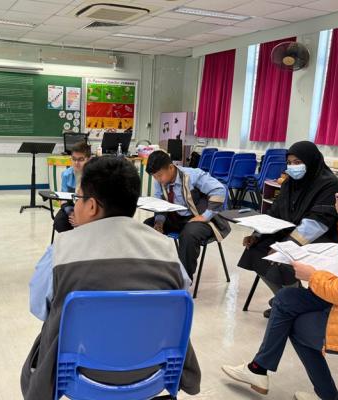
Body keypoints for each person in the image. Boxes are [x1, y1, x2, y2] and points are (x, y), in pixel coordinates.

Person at [21, 157, 201, 400]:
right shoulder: (167, 249)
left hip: (79, 377)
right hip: (153, 374)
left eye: (77, 198)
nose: (75, 205)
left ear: (92, 206)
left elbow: (39, 308)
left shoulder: (60, 251)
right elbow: (181, 301)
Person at [221, 143, 338, 400]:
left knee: (295, 325)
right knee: (286, 299)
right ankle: (259, 370)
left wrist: (313, 276)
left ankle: (322, 394)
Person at [238, 141, 338, 317]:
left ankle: (292, 303)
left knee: (285, 260)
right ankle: (284, 300)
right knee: (254, 250)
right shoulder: (289, 183)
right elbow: (273, 213)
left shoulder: (329, 184)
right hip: (289, 233)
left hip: (318, 239)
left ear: (311, 161)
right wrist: (257, 235)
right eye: (290, 163)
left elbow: (317, 224)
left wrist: (285, 247)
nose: (293, 167)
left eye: (298, 162)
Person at [144, 150, 230, 279]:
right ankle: (152, 272)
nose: (157, 180)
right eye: (154, 177)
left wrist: (205, 216)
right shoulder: (160, 181)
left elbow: (220, 190)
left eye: (160, 175)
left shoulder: (193, 175)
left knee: (189, 234)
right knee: (146, 227)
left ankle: (183, 279)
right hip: (175, 217)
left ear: (171, 167)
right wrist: (159, 222)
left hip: (198, 218)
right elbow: (160, 203)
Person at [53, 141, 91, 233]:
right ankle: (71, 240)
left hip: (89, 208)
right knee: (59, 223)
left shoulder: (94, 175)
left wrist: (81, 218)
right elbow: (63, 198)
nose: (76, 163)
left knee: (88, 225)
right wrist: (71, 213)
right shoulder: (66, 174)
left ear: (88, 159)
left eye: (81, 159)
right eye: (74, 159)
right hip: (71, 206)